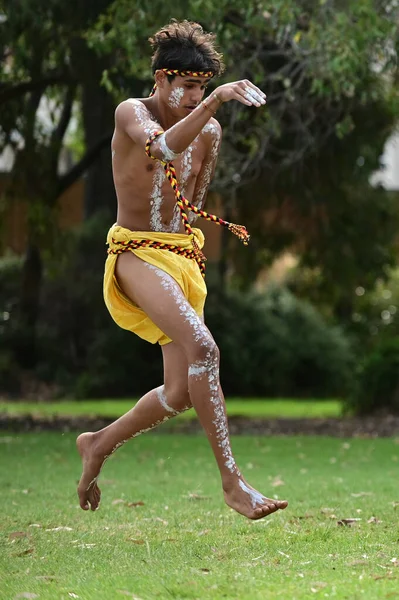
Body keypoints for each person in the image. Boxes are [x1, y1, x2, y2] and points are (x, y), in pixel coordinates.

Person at [77, 19, 288, 520]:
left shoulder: (210, 131)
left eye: (203, 88)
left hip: (180, 257)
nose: (196, 97)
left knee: (179, 392)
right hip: (134, 254)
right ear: (161, 80)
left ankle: (97, 444)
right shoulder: (132, 112)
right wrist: (217, 102)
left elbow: (191, 203)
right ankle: (234, 484)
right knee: (205, 349)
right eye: (187, 87)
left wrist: (193, 244)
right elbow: (161, 148)